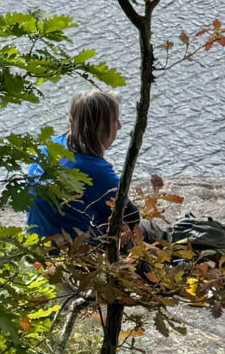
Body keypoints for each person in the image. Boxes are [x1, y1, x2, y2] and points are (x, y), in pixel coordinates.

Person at [25, 89, 142, 244]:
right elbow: (131, 218)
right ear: (100, 127)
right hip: (76, 254)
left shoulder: (47, 148)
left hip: (37, 245)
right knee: (153, 234)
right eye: (115, 120)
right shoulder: (93, 169)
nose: (119, 126)